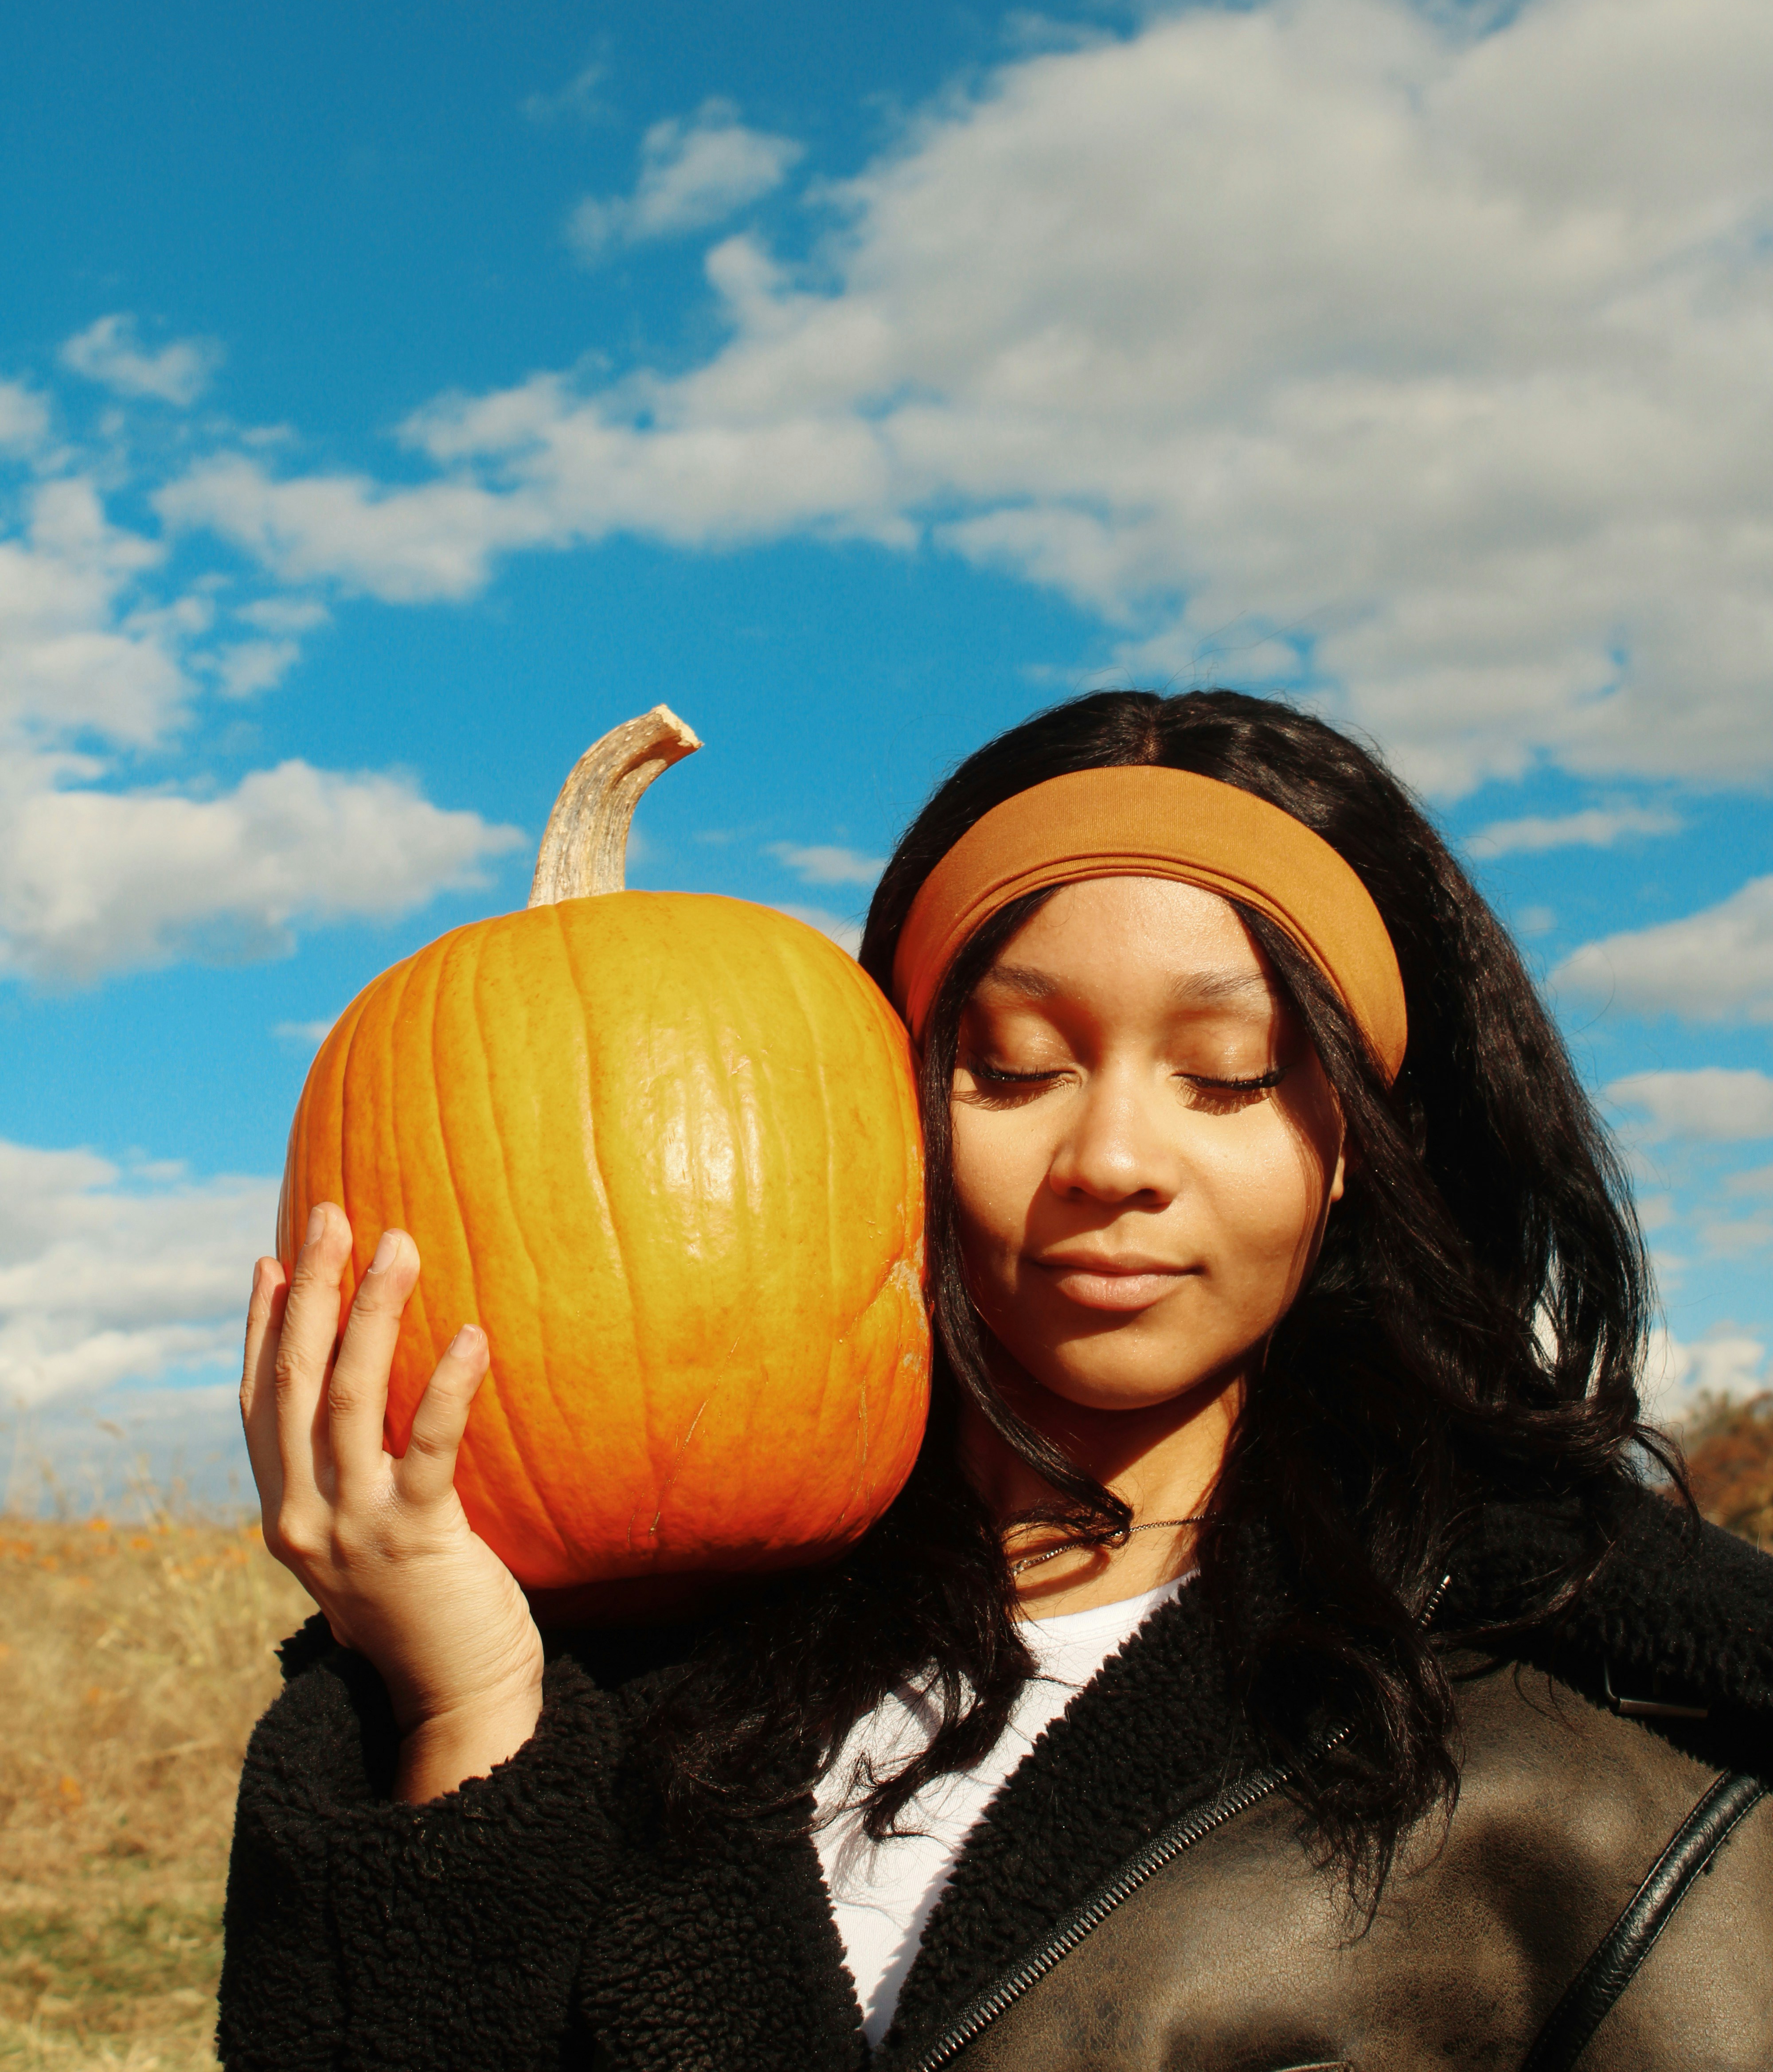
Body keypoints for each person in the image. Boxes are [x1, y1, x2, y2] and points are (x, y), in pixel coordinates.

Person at [220, 689, 1773, 2071]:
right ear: (875, 1115)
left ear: (1357, 1142)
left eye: (1230, 1078)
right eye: (1015, 1065)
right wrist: (474, 1702)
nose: (1111, 1163)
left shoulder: (1594, 1733)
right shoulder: (621, 1666)